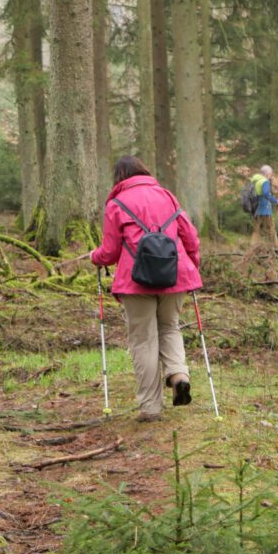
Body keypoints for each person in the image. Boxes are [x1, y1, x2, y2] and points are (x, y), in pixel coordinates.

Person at [90, 156, 202, 421]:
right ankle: (178, 375)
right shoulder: (167, 196)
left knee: (144, 339)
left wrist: (95, 257)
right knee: (170, 326)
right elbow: (191, 237)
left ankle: (151, 406)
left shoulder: (116, 204)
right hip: (176, 276)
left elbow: (110, 251)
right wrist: (191, 267)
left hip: (135, 280)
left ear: (119, 178)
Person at [249, 165, 278, 247]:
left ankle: (253, 246)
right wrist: (276, 200)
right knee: (271, 228)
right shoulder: (265, 181)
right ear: (267, 173)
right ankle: (275, 247)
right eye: (271, 174)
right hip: (266, 209)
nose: (271, 176)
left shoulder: (257, 181)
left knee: (257, 229)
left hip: (258, 208)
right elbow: (266, 193)